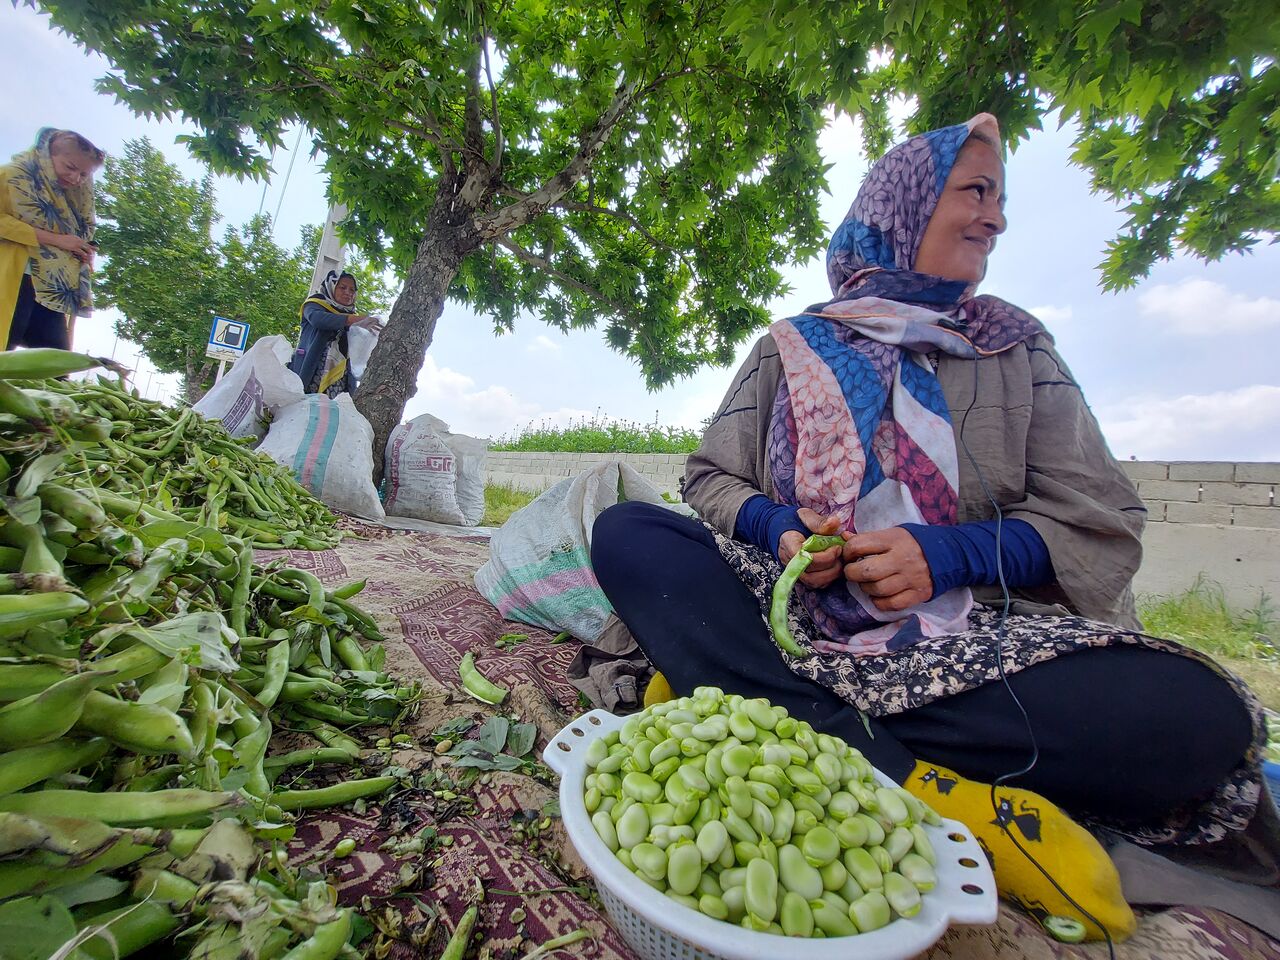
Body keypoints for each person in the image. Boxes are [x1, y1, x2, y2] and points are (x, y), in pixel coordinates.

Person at [591, 114, 1271, 941]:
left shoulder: (1017, 351)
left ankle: (738, 687)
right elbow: (709, 478)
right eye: (976, 192)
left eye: (1001, 199)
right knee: (629, 530)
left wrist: (944, 556)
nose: (996, 218)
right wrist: (779, 531)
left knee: (1200, 720)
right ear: (903, 204)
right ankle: (919, 779)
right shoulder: (792, 346)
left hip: (970, 640)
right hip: (796, 620)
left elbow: (1098, 517)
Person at [1, 128, 104, 350]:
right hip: (12, 277)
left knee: (56, 366)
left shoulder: (76, 199)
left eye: (84, 175)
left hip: (52, 288)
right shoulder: (11, 176)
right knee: (4, 352)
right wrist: (57, 240)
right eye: (70, 168)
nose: (76, 178)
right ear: (48, 155)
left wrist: (79, 253)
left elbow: (74, 237)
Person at [288, 270, 382, 396]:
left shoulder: (354, 320)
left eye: (352, 290)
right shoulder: (314, 304)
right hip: (310, 373)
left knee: (331, 413)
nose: (348, 293)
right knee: (305, 410)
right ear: (331, 287)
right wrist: (352, 320)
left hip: (339, 381)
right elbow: (318, 320)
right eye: (342, 287)